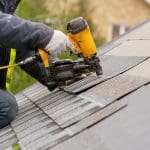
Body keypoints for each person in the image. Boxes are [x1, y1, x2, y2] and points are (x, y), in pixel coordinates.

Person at [0, 0, 75, 129]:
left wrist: (56, 71)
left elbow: (21, 49)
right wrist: (45, 36)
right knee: (6, 107)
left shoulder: (6, 7)